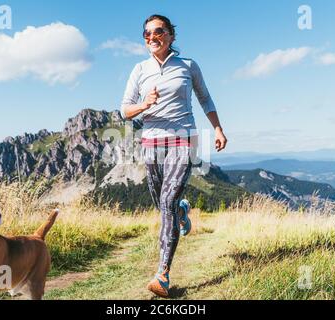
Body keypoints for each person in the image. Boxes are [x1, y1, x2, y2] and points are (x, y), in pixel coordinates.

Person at [121, 14, 227, 298]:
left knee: (166, 201)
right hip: (152, 142)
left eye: (158, 31)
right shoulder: (139, 69)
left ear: (170, 35)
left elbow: (205, 98)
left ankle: (162, 274)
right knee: (162, 202)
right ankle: (181, 211)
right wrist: (145, 104)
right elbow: (125, 110)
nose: (151, 37)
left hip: (183, 138)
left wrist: (217, 129)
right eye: (146, 34)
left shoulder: (188, 66)